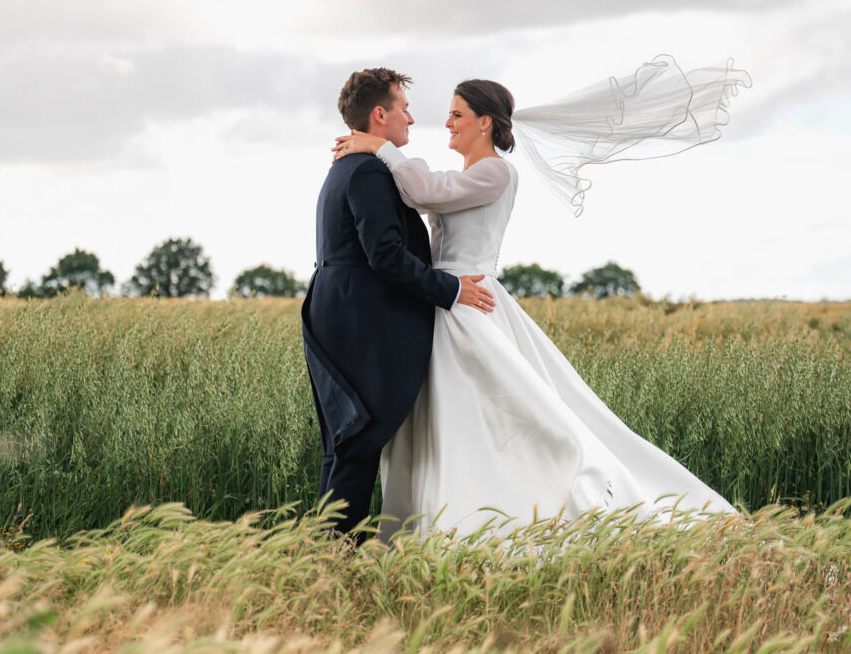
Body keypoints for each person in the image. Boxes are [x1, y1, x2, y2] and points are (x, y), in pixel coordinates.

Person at [332, 78, 737, 539]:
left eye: (457, 114)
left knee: (507, 418)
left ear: (485, 122)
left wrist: (379, 148)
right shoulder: (465, 174)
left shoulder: (497, 173)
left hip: (470, 304)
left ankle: (495, 521)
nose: (446, 122)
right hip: (448, 300)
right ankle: (434, 526)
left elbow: (425, 192)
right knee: (444, 425)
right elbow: (423, 189)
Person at [301, 68, 496, 541]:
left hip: (334, 310)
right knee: (359, 439)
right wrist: (450, 290)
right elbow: (385, 256)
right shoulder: (367, 169)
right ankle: (332, 555)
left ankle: (325, 555)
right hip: (359, 319)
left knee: (346, 442)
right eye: (403, 107)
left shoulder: (349, 164)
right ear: (380, 114)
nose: (412, 116)